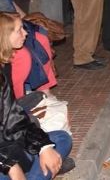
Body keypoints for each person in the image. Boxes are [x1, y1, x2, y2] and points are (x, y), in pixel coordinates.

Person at [0, 13, 73, 180]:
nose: (25, 33)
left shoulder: (4, 66)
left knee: (61, 139)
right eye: (19, 30)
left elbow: (13, 117)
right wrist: (8, 165)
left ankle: (36, 169)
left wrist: (43, 147)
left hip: (8, 145)